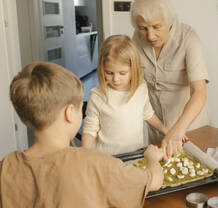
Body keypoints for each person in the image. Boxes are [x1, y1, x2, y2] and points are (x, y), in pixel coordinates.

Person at [0, 61, 164, 207]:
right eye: (80, 108)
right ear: (69, 113)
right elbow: (154, 181)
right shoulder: (97, 164)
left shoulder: (6, 166)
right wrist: (152, 159)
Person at [131, 0, 209, 159]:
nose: (150, 36)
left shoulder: (189, 38)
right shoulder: (136, 38)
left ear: (169, 21)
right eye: (143, 28)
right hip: (157, 127)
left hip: (189, 128)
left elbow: (199, 93)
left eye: (156, 27)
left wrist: (178, 130)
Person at [82, 35, 168, 155]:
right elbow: (90, 129)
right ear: (102, 69)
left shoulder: (141, 90)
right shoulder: (97, 95)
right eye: (109, 73)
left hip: (134, 155)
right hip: (107, 158)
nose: (116, 79)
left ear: (134, 69)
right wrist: (84, 154)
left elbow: (148, 114)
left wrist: (167, 132)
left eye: (122, 73)